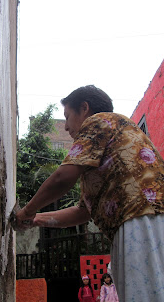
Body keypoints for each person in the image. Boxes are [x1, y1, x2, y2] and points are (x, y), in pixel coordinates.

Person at [16, 85, 164, 302]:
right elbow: (83, 212)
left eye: (67, 116)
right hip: (140, 221)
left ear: (84, 108)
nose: (66, 127)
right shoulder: (107, 148)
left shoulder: (99, 121)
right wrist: (35, 219)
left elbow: (62, 178)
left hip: (141, 220)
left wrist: (27, 211)